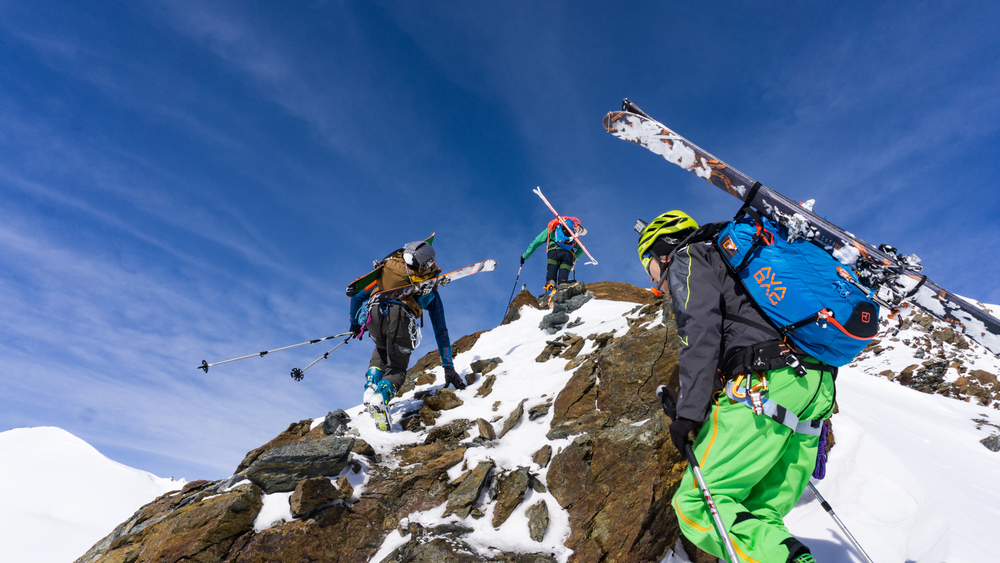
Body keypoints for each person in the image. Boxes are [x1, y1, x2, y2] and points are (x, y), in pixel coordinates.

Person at [638, 210, 833, 563]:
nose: (652, 278)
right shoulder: (742, 262)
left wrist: (688, 414)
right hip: (815, 388)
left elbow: (700, 336)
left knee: (698, 503)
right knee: (758, 512)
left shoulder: (690, 257)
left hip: (765, 384)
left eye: (647, 264)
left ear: (662, 250)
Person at [349, 239, 466, 430]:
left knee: (381, 350)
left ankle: (371, 387)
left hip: (373, 315)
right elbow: (440, 330)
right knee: (397, 369)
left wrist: (354, 324)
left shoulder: (386, 273)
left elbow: (356, 295)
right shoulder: (428, 287)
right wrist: (448, 367)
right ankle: (381, 398)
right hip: (400, 319)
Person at [521, 216, 586, 292]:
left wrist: (525, 256)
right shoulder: (573, 234)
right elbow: (581, 249)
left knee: (551, 278)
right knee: (563, 280)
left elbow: (537, 241)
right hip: (568, 256)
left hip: (554, 252)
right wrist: (574, 258)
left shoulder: (553, 228)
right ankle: (562, 288)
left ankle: (551, 290)